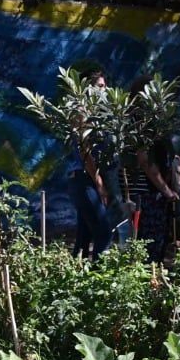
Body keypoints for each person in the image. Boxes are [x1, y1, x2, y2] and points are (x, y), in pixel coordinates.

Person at [66, 67, 123, 259]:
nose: (104, 90)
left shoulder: (98, 115)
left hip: (87, 179)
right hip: (85, 179)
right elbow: (85, 152)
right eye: (100, 86)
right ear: (87, 88)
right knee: (104, 232)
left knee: (84, 237)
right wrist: (99, 184)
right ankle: (100, 273)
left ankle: (77, 274)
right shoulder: (80, 113)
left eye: (104, 86)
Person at [135, 134, 180, 262]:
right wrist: (166, 191)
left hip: (157, 193)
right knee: (149, 244)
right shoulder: (143, 132)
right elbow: (146, 162)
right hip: (147, 193)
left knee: (159, 242)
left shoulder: (160, 133)